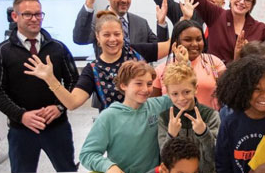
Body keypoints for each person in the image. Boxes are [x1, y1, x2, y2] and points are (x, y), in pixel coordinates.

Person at [0, 0, 79, 173]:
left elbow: (74, 81)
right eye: (27, 14)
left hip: (57, 126)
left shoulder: (58, 48)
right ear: (15, 16)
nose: (34, 19)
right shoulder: (1, 53)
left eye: (38, 14)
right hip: (22, 130)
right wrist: (22, 115)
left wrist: (59, 107)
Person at [25, 10, 174, 112]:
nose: (112, 39)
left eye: (117, 34)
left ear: (123, 34)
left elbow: (170, 45)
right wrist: (50, 79)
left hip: (147, 122)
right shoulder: (93, 70)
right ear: (97, 37)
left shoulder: (135, 51)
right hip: (117, 131)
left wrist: (184, 19)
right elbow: (72, 103)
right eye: (106, 35)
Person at [157, 63, 222, 173]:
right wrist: (171, 134)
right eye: (175, 94)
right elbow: (164, 158)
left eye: (186, 92)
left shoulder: (210, 115)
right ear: (168, 93)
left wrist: (203, 133)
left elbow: (215, 156)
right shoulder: (165, 118)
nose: (181, 98)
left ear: (195, 89)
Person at [73, 0, 167, 55]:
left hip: (137, 74)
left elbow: (160, 48)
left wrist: (161, 23)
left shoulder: (141, 23)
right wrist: (89, 4)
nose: (124, 0)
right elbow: (80, 39)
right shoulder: (98, 21)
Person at [151, 20, 225, 109]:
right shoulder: (161, 69)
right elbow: (153, 105)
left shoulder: (214, 62)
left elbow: (229, 91)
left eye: (199, 39)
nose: (194, 44)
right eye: (187, 40)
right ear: (176, 41)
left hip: (208, 121)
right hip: (173, 121)